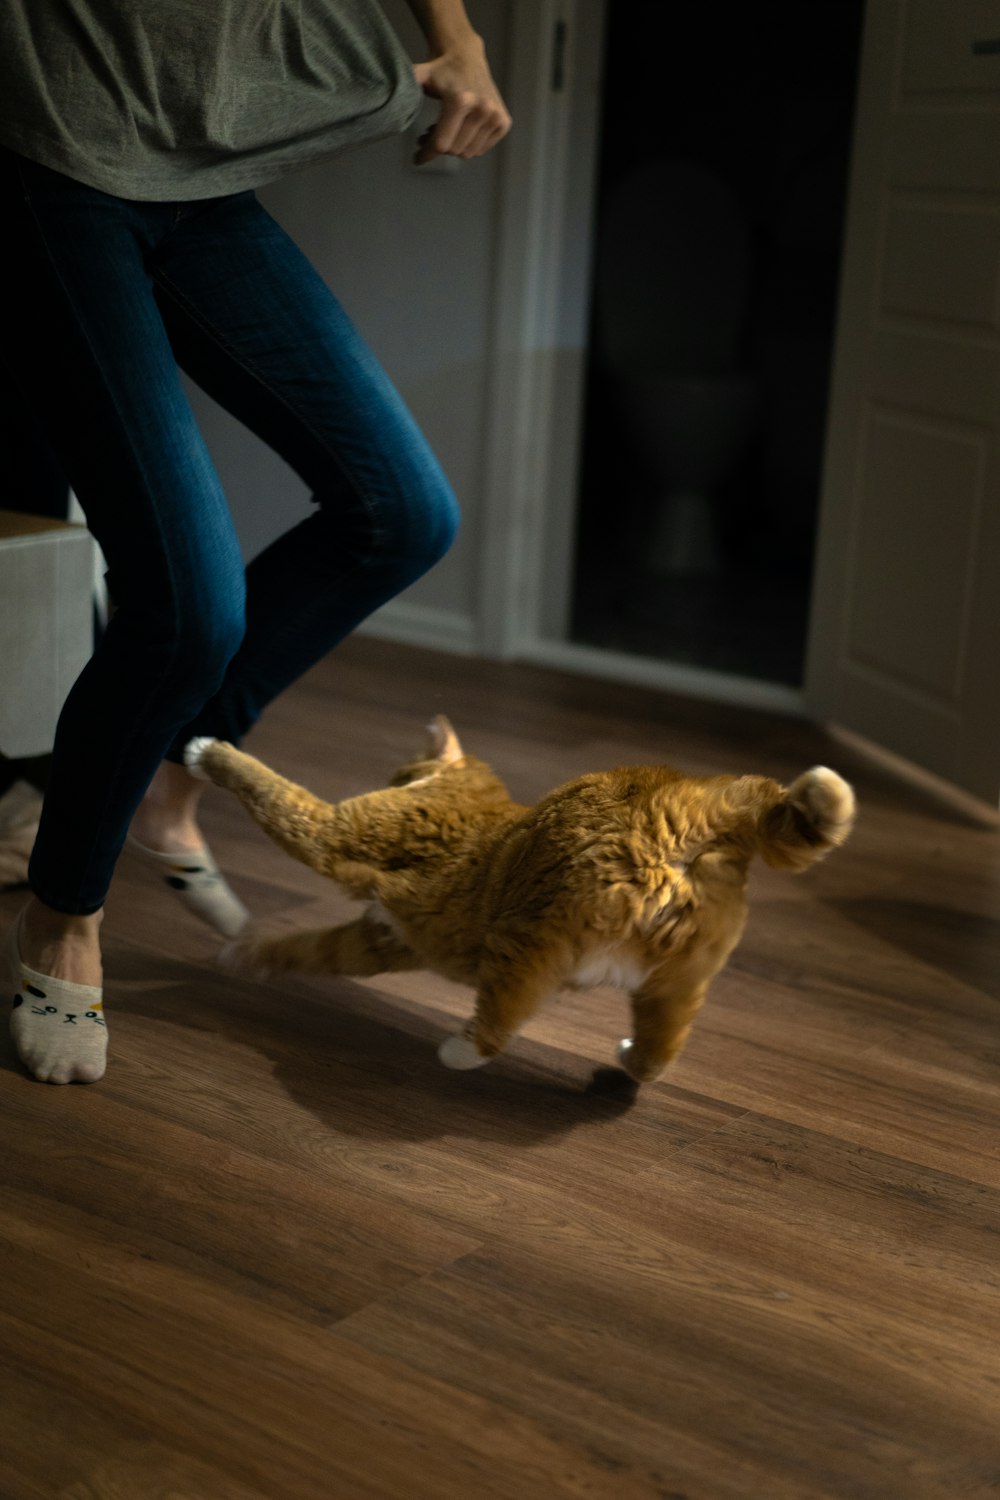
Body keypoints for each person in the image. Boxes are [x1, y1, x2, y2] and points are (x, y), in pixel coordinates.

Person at [0, 0, 511, 1084]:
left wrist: (457, 38)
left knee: (404, 513)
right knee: (185, 610)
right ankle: (62, 913)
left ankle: (172, 768)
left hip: (203, 182)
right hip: (53, 165)